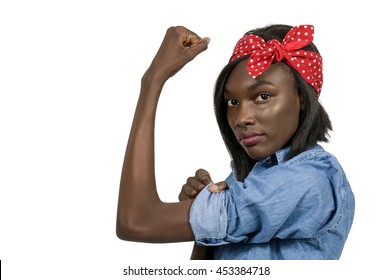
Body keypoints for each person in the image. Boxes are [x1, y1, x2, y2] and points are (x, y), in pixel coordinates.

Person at [116, 24, 355, 260]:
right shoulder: (253, 178)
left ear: (302, 98)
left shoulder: (306, 179)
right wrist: (201, 217)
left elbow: (136, 221)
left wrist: (153, 79)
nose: (241, 118)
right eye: (232, 102)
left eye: (262, 96)